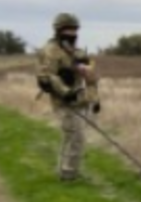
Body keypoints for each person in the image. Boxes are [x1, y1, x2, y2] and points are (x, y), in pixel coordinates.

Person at [36, 12, 100, 182]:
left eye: (74, 30)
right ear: (58, 30)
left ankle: (66, 171)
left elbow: (91, 77)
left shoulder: (78, 52)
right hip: (63, 102)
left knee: (72, 137)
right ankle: (69, 174)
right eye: (68, 30)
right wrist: (65, 90)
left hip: (81, 100)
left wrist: (95, 99)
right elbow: (46, 79)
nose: (72, 33)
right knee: (76, 136)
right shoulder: (50, 51)